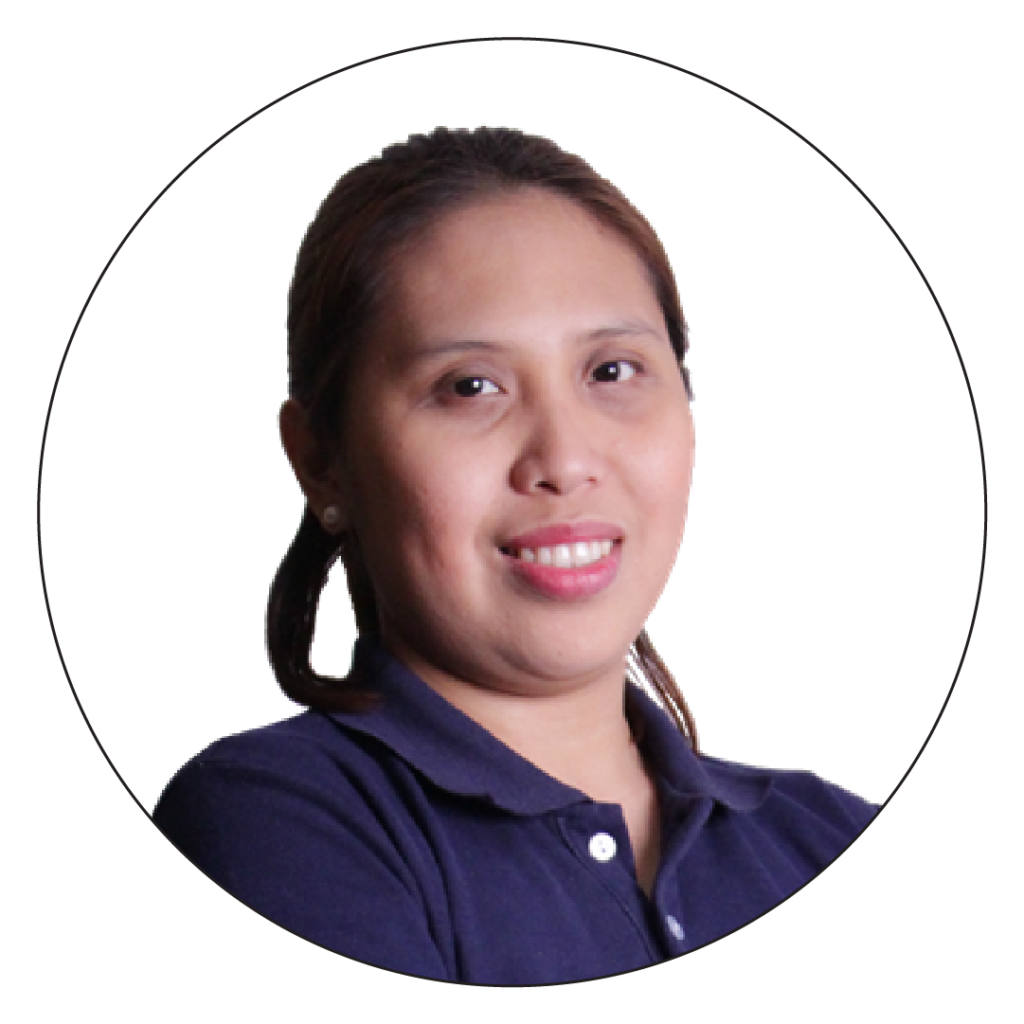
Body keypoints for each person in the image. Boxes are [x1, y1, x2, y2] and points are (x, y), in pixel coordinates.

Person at [153, 127, 878, 983]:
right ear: (322, 462)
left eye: (612, 371)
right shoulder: (272, 821)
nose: (565, 460)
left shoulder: (828, 834)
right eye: (471, 387)